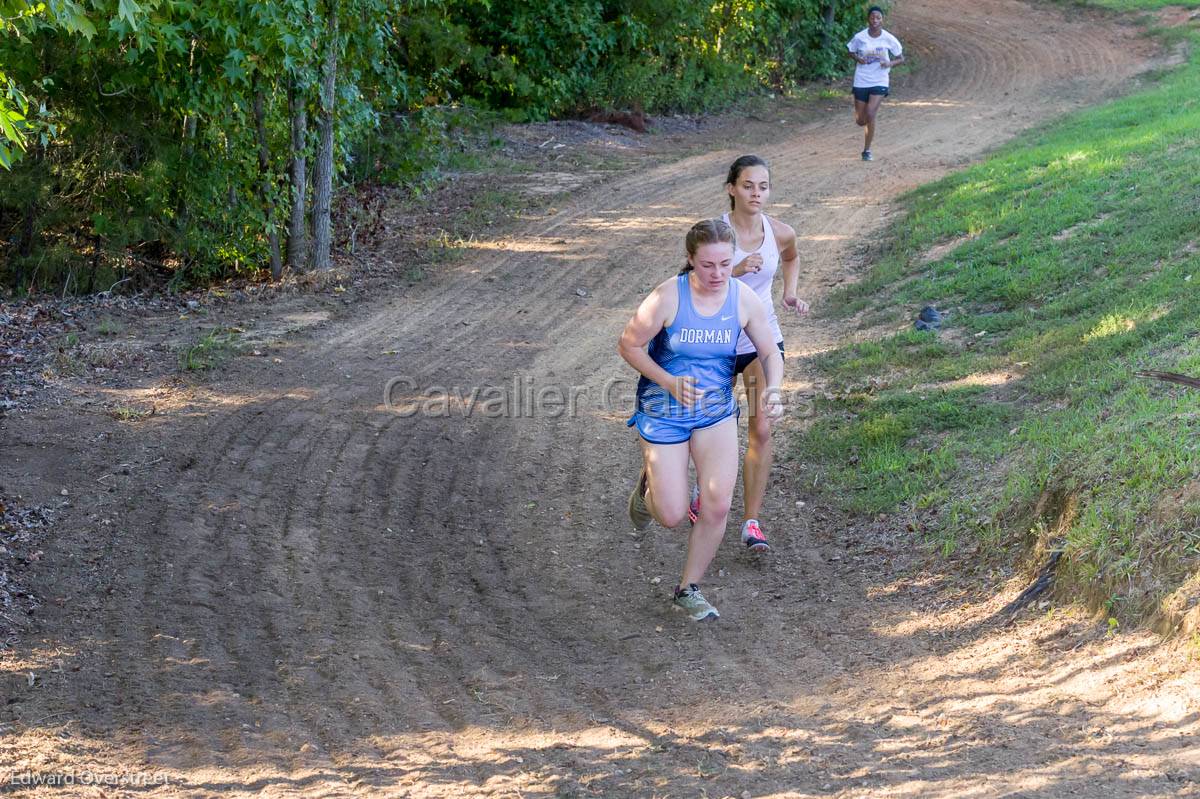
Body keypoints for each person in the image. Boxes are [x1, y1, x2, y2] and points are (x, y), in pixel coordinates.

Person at [620, 219, 784, 621]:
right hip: (663, 412)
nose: (717, 274)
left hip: (713, 414)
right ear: (691, 260)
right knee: (672, 514)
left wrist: (774, 389)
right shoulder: (667, 297)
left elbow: (770, 351)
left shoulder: (743, 298)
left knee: (716, 504)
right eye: (708, 265)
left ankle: (687, 588)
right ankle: (648, 491)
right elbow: (629, 344)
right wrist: (669, 381)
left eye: (725, 265)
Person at [705, 155, 808, 554]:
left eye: (763, 186)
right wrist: (733, 271)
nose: (756, 194)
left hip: (759, 341)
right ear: (731, 188)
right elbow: (688, 279)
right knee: (708, 430)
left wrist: (790, 291)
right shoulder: (714, 234)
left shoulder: (780, 232)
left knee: (761, 428)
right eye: (748, 185)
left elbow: (791, 257)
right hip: (712, 343)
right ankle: (700, 489)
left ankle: (751, 523)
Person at [847, 5, 904, 161]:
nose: (875, 20)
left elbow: (901, 58)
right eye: (872, 17)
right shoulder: (860, 37)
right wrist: (859, 59)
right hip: (861, 80)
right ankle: (866, 131)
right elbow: (850, 50)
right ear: (868, 19)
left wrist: (889, 63)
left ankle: (867, 150)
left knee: (871, 114)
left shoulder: (888, 38)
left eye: (878, 18)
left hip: (880, 80)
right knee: (860, 120)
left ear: (882, 20)